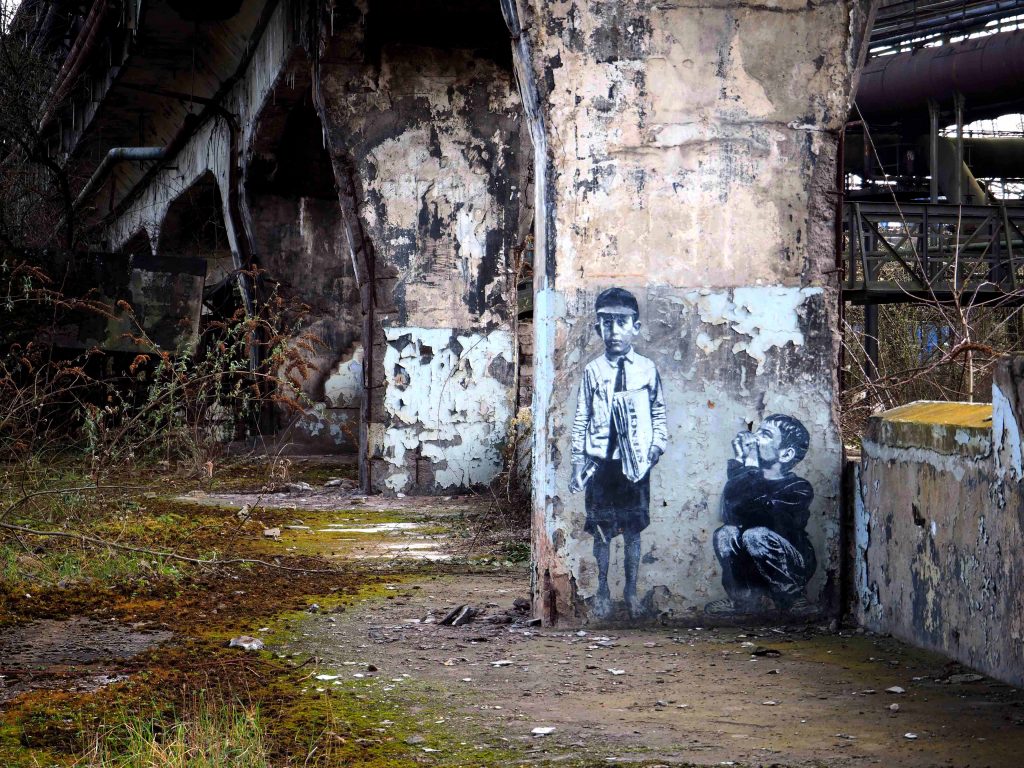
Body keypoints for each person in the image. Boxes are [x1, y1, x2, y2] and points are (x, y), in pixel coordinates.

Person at [570, 287, 667, 619]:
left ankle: (630, 592)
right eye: (606, 323)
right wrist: (578, 462)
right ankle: (603, 592)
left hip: (635, 465)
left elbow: (658, 413)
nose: (614, 331)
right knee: (601, 532)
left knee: (633, 532)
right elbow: (582, 417)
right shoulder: (593, 371)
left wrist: (655, 448)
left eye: (622, 322)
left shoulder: (647, 369)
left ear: (635, 327)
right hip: (601, 465)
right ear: (598, 328)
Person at [706, 414, 816, 616]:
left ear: (786, 454)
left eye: (764, 434)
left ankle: (792, 598)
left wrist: (749, 467)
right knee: (725, 532)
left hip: (791, 564)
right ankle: (742, 600)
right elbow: (730, 511)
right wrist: (741, 461)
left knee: (755, 535)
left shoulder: (799, 488)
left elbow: (762, 513)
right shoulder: (748, 473)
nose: (754, 438)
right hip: (753, 564)